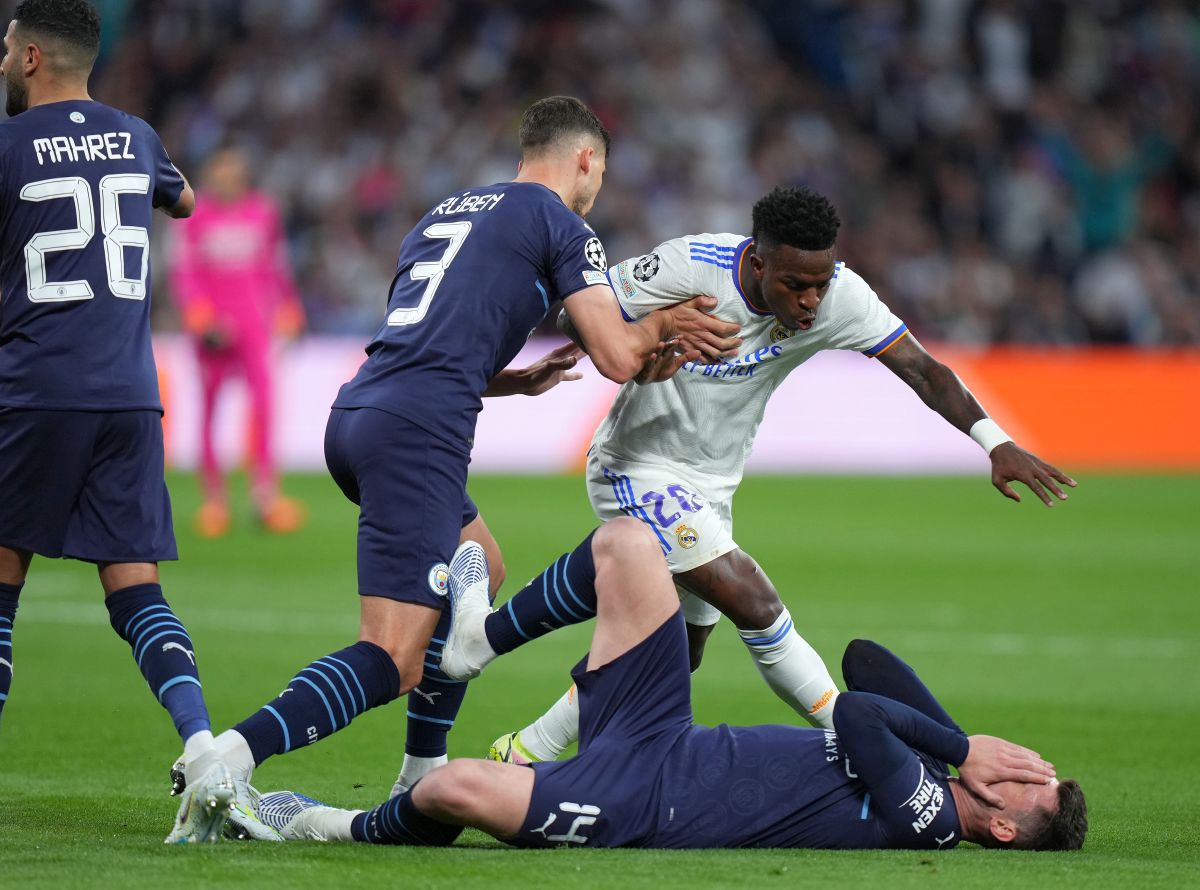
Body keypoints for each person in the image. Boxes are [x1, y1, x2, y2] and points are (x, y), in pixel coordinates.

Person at [192, 96, 742, 839]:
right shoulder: (560, 223)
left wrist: (509, 380)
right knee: (392, 656)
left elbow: (423, 336)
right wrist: (664, 323)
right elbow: (617, 356)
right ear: (585, 159)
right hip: (416, 433)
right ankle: (230, 758)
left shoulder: (445, 213)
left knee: (480, 557)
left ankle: (422, 772)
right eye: (600, 173)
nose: (597, 189)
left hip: (361, 413)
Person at [489, 185, 1078, 766]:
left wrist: (995, 443)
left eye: (820, 285)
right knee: (755, 600)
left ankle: (527, 748)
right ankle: (875, 749)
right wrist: (655, 331)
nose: (811, 303)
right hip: (635, 468)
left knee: (679, 653)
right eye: (795, 285)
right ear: (757, 260)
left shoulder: (840, 296)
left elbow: (923, 371)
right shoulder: (691, 266)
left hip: (711, 487)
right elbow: (573, 314)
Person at [256, 519, 1087, 852]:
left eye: (1025, 785)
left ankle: (336, 826)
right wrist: (965, 744)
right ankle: (479, 640)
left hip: (644, 803)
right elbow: (865, 657)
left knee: (451, 786)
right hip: (668, 736)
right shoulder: (943, 768)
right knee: (630, 544)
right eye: (1029, 762)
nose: (1015, 765)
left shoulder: (931, 816)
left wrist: (960, 750)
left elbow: (864, 708)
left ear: (1007, 829)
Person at [0, 0, 234, 844]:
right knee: (136, 592)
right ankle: (206, 751)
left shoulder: (7, 148)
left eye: (3, 50)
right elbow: (185, 200)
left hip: (30, 392)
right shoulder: (136, 135)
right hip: (129, 395)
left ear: (29, 57)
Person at [168, 145, 307, 537]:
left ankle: (266, 497)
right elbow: (185, 273)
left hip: (254, 327)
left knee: (264, 406)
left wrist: (289, 308)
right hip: (212, 330)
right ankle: (215, 502)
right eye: (220, 171)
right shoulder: (196, 216)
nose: (227, 177)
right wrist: (200, 317)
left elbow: (276, 268)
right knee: (211, 411)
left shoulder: (264, 212)